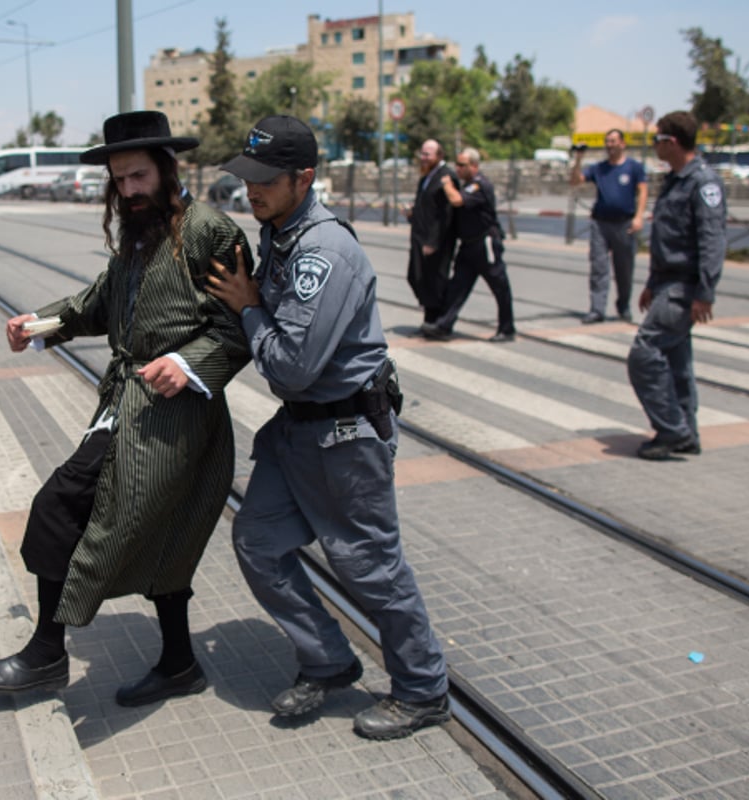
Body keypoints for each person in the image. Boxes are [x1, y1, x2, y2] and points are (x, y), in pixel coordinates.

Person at [0, 111, 253, 707]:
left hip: (177, 417)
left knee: (58, 504)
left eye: (139, 176)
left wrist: (187, 363)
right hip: (129, 406)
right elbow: (97, 303)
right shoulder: (137, 239)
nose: (129, 191)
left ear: (167, 170)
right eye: (119, 181)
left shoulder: (211, 232)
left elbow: (241, 327)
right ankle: (178, 664)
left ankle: (47, 653)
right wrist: (38, 324)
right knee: (161, 535)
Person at [207, 115, 450, 741]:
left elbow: (290, 367)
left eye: (264, 180)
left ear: (304, 178)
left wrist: (248, 307)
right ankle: (327, 659)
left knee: (370, 567)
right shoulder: (280, 234)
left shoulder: (323, 251)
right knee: (258, 542)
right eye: (246, 178)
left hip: (344, 441)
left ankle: (423, 690)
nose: (251, 191)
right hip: (299, 436)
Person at [628, 111, 725, 460]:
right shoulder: (674, 181)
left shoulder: (703, 183)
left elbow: (712, 241)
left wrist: (704, 292)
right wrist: (652, 282)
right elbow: (667, 239)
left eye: (657, 139)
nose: (653, 146)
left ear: (671, 142)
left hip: (684, 287)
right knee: (676, 361)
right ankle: (686, 432)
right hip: (667, 283)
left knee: (644, 355)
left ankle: (672, 430)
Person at [426, 147, 516, 342]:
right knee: (457, 286)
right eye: (456, 164)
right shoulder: (467, 185)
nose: (457, 168)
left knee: (499, 286)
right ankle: (443, 325)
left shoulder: (479, 185)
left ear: (474, 166)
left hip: (485, 244)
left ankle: (507, 329)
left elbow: (457, 200)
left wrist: (447, 185)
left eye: (462, 165)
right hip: (468, 246)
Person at [570, 129, 649, 324]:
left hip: (624, 224)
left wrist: (639, 217)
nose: (609, 145)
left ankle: (623, 305)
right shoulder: (599, 168)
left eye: (613, 141)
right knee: (599, 267)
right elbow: (575, 181)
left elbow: (643, 191)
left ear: (622, 143)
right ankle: (597, 309)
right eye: (607, 141)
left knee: (624, 269)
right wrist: (578, 159)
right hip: (600, 223)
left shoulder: (634, 167)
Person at [403, 139, 455, 327]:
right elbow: (426, 207)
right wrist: (412, 213)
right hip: (419, 237)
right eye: (422, 154)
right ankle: (431, 315)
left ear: (439, 156)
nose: (423, 158)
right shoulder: (426, 177)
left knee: (434, 280)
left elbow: (446, 214)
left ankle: (435, 321)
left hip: (435, 241)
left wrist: (433, 241)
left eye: (428, 155)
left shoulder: (446, 176)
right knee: (415, 276)